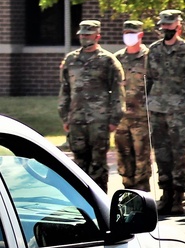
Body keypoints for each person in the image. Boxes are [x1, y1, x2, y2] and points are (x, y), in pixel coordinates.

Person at [146, 10, 185, 215]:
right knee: (161, 154)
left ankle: (179, 196)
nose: (166, 29)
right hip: (157, 109)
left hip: (179, 110)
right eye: (163, 26)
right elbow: (148, 79)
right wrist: (148, 102)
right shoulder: (153, 50)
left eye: (170, 26)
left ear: (178, 27)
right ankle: (166, 194)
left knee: (179, 154)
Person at [58, 19, 125, 192]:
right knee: (79, 162)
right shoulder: (71, 60)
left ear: (97, 36)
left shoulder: (108, 61)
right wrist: (65, 116)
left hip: (99, 121)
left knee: (98, 164)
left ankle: (100, 200)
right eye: (82, 35)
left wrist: (115, 118)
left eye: (88, 34)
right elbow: (65, 89)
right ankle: (83, 201)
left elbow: (117, 91)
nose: (84, 38)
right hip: (76, 120)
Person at [114, 19, 153, 192]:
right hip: (122, 117)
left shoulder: (150, 58)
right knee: (123, 156)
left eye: (132, 33)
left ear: (140, 35)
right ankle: (128, 191)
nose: (128, 37)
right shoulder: (116, 59)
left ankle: (143, 192)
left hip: (142, 116)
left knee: (142, 157)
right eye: (126, 33)